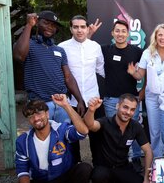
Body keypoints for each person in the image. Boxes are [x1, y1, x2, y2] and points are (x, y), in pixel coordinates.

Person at [10, 94, 92, 183]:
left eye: (39, 113)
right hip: (42, 181)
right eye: (31, 116)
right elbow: (22, 169)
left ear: (47, 113)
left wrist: (66, 105)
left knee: (85, 169)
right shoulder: (23, 140)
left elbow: (83, 132)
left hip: (64, 177)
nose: (36, 119)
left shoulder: (61, 129)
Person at [84, 94, 154, 183]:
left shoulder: (135, 126)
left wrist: (147, 178)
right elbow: (90, 125)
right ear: (117, 106)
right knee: (98, 176)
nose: (128, 112)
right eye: (125, 107)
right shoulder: (105, 122)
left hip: (122, 167)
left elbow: (148, 151)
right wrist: (91, 110)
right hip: (104, 168)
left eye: (132, 109)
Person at [13, 11, 85, 122]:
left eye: (53, 25)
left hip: (62, 104)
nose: (50, 27)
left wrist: (80, 100)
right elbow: (19, 55)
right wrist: (29, 25)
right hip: (40, 105)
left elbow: (68, 77)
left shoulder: (59, 50)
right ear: (37, 22)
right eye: (46, 23)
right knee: (44, 138)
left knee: (62, 138)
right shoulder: (28, 44)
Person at [58, 15, 105, 163]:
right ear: (71, 29)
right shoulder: (62, 47)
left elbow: (100, 70)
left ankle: (98, 167)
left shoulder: (95, 47)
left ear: (87, 28)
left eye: (83, 27)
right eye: (76, 27)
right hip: (71, 101)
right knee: (71, 138)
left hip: (93, 100)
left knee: (97, 138)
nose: (79, 30)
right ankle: (75, 169)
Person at [127, 24, 164, 157]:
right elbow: (140, 75)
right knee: (154, 130)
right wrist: (133, 73)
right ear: (155, 37)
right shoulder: (147, 53)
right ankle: (156, 160)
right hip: (152, 97)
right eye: (160, 35)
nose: (162, 38)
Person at [101, 20, 144, 172]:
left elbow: (142, 75)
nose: (120, 34)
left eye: (123, 31)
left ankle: (136, 158)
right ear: (112, 33)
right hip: (111, 100)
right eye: (117, 31)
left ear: (128, 34)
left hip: (131, 99)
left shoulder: (137, 52)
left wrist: (135, 75)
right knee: (115, 132)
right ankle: (119, 162)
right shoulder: (105, 50)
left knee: (134, 129)